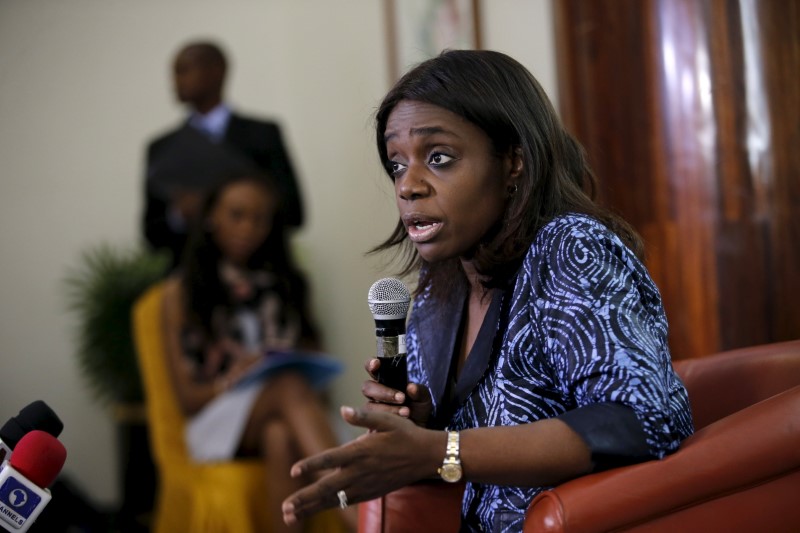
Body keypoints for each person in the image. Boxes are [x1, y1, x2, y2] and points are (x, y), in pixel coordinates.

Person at [280, 50, 694, 532]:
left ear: (513, 162)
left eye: (438, 158)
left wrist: (439, 449)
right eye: (396, 165)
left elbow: (641, 420)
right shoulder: (440, 288)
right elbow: (465, 462)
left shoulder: (569, 249)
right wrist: (421, 427)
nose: (408, 186)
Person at [160, 173, 356, 532]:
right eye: (237, 214)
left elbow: (318, 374)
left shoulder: (289, 285)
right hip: (216, 421)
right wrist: (237, 378)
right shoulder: (182, 293)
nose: (248, 227)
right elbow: (187, 398)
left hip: (283, 411)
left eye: (259, 218)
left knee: (280, 435)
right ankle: (360, 519)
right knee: (287, 384)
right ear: (211, 218)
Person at [143, 40, 304, 269]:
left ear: (217, 71)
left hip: (259, 273)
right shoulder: (160, 147)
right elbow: (151, 235)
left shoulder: (263, 134)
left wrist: (242, 209)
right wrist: (179, 215)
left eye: (183, 70)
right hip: (193, 280)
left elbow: (295, 212)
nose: (175, 82)